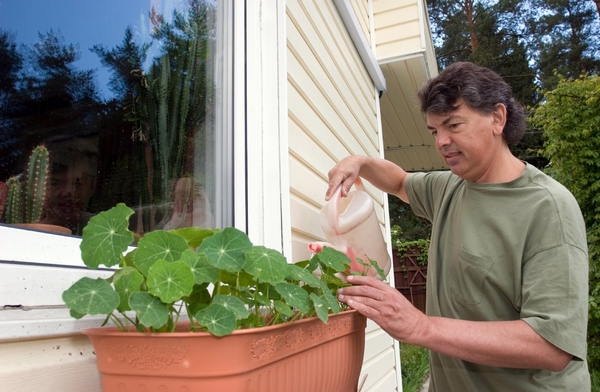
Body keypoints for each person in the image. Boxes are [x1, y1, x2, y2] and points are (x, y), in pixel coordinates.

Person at [329, 62, 590, 391]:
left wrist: (421, 327)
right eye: (434, 131)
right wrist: (360, 163)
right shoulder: (449, 187)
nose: (441, 141)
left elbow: (551, 346)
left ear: (497, 118)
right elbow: (398, 182)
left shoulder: (548, 209)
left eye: (453, 125)